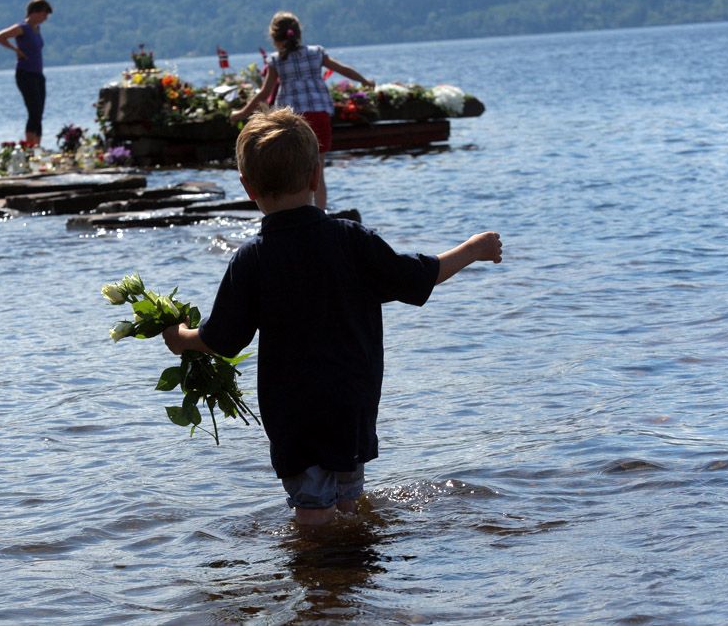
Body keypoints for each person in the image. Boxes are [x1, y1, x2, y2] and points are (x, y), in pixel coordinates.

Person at [162, 109, 503, 526]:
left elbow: (224, 337)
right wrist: (471, 249)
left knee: (311, 511)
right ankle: (351, 577)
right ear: (315, 176)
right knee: (348, 500)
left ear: (247, 187)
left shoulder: (253, 258)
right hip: (353, 402)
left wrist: (181, 337)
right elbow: (415, 277)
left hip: (295, 411)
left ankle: (322, 583)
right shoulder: (350, 239)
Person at [229, 11, 375, 210]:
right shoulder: (316, 53)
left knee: (289, 169)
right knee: (318, 171)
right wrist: (365, 82)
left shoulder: (276, 61)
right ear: (298, 33)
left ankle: (287, 211)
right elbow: (344, 70)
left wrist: (241, 113)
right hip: (319, 114)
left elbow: (264, 93)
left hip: (291, 120)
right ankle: (320, 214)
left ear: (274, 38)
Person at [0, 0, 53, 148]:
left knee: (39, 112)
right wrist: (15, 50)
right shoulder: (23, 27)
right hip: (25, 74)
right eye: (44, 14)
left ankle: (37, 147)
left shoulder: (37, 29)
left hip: (38, 74)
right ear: (35, 12)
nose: (45, 18)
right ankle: (29, 147)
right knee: (33, 111)